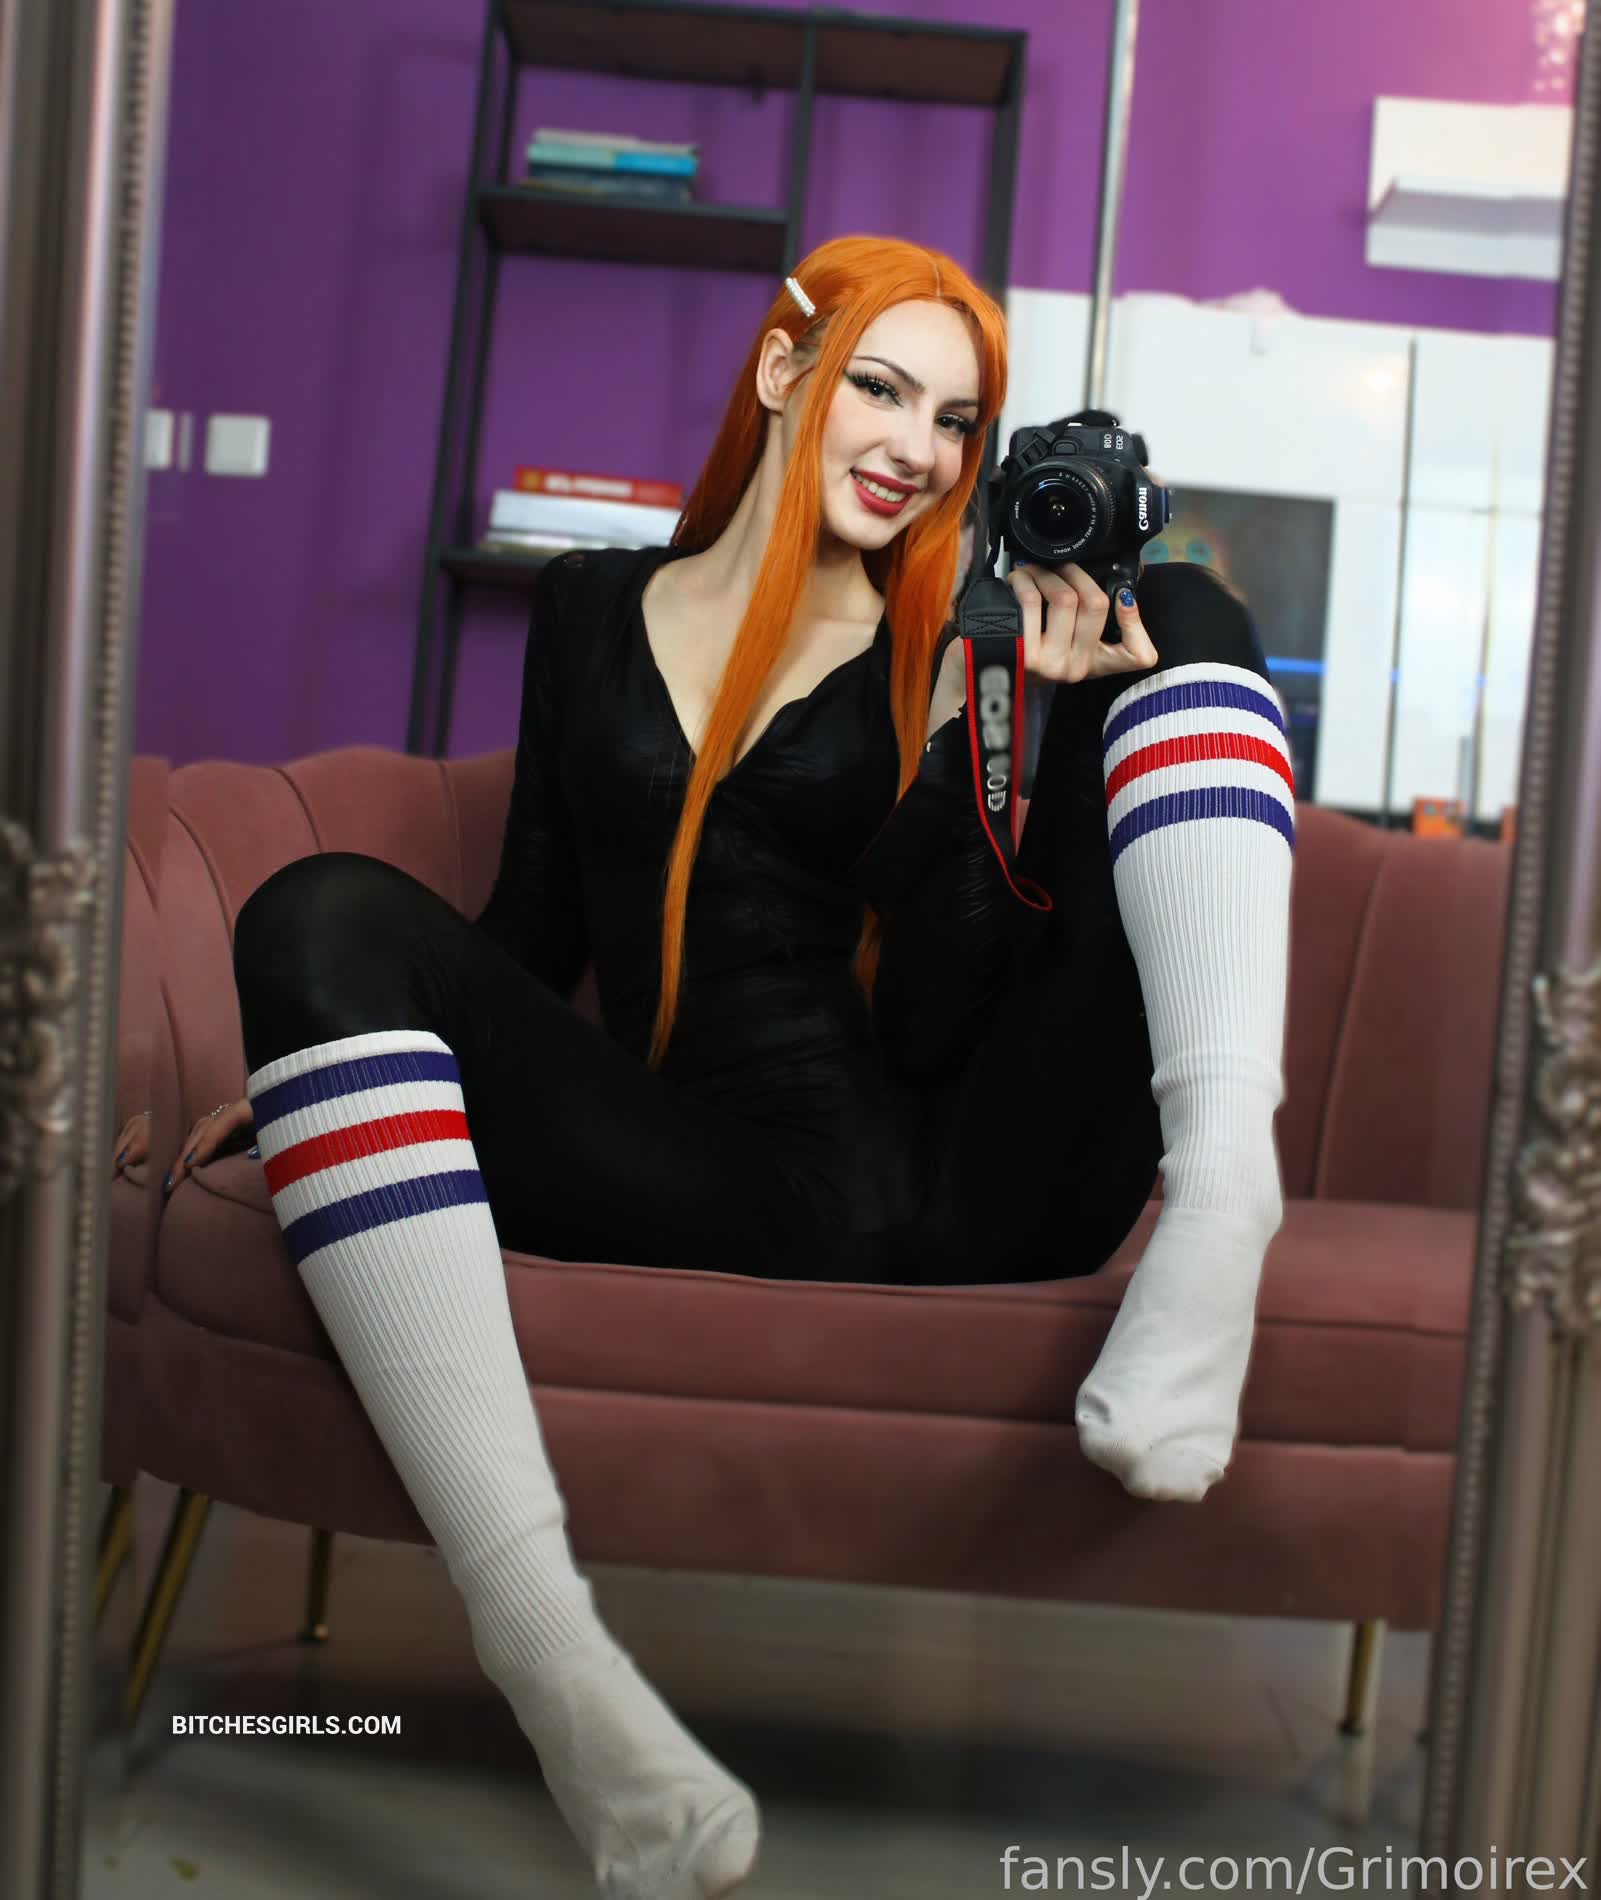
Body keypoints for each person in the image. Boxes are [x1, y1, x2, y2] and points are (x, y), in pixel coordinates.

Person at [113, 235, 1293, 1899]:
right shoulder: (592, 609)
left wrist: (1009, 740)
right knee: (317, 913)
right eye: (882, 388)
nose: (916, 448)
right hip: (711, 1170)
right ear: (784, 372)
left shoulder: (948, 643)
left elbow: (939, 1016)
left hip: (954, 1178)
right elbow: (532, 924)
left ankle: (1227, 1186)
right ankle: (549, 1652)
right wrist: (334, 1048)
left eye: (956, 422)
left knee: (1188, 619)